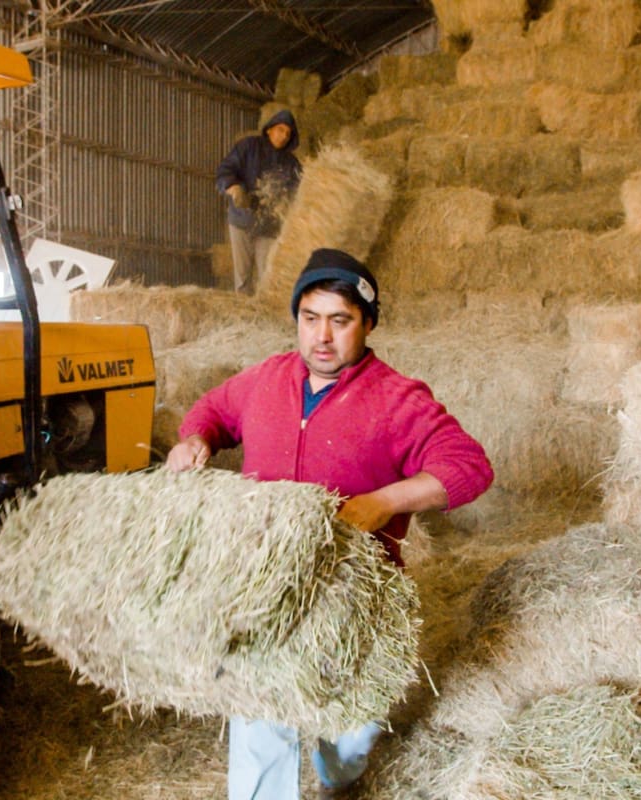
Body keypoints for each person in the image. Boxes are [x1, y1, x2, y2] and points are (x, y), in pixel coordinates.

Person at [166, 247, 494, 799]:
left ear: (367, 324)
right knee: (259, 723)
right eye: (309, 318)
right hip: (264, 585)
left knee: (348, 739)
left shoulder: (397, 399)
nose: (322, 336)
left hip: (352, 598)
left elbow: (468, 467)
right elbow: (213, 411)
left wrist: (386, 501)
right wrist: (194, 439)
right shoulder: (266, 379)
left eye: (340, 321)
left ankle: (337, 777)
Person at [215, 108, 302, 294]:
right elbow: (226, 169)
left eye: (288, 133)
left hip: (269, 226)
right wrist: (233, 187)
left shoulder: (292, 163)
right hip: (242, 219)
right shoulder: (248, 147)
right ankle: (245, 316)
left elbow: (298, 193)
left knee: (267, 277)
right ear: (269, 129)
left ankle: (265, 315)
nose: (284, 136)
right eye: (280, 129)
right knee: (242, 277)